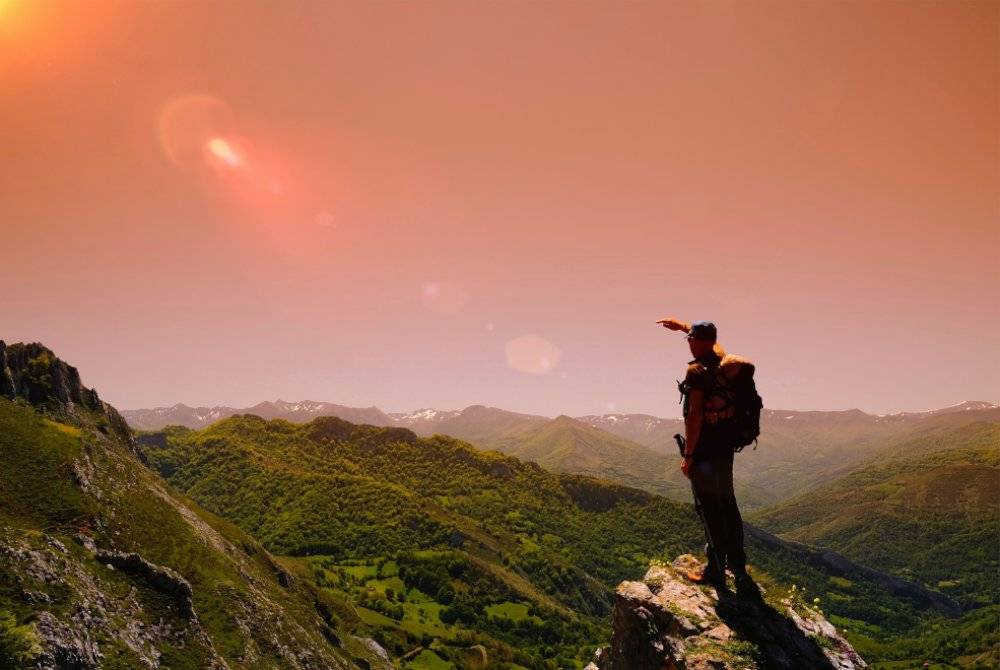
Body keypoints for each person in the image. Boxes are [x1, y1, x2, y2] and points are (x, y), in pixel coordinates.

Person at [657, 316, 757, 597]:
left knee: (709, 508)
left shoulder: (697, 371)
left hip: (705, 447)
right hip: (725, 445)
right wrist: (684, 326)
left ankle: (715, 570)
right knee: (728, 503)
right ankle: (738, 567)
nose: (688, 344)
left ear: (700, 343)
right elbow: (713, 343)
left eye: (690, 339)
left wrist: (689, 455)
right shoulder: (722, 363)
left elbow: (695, 415)